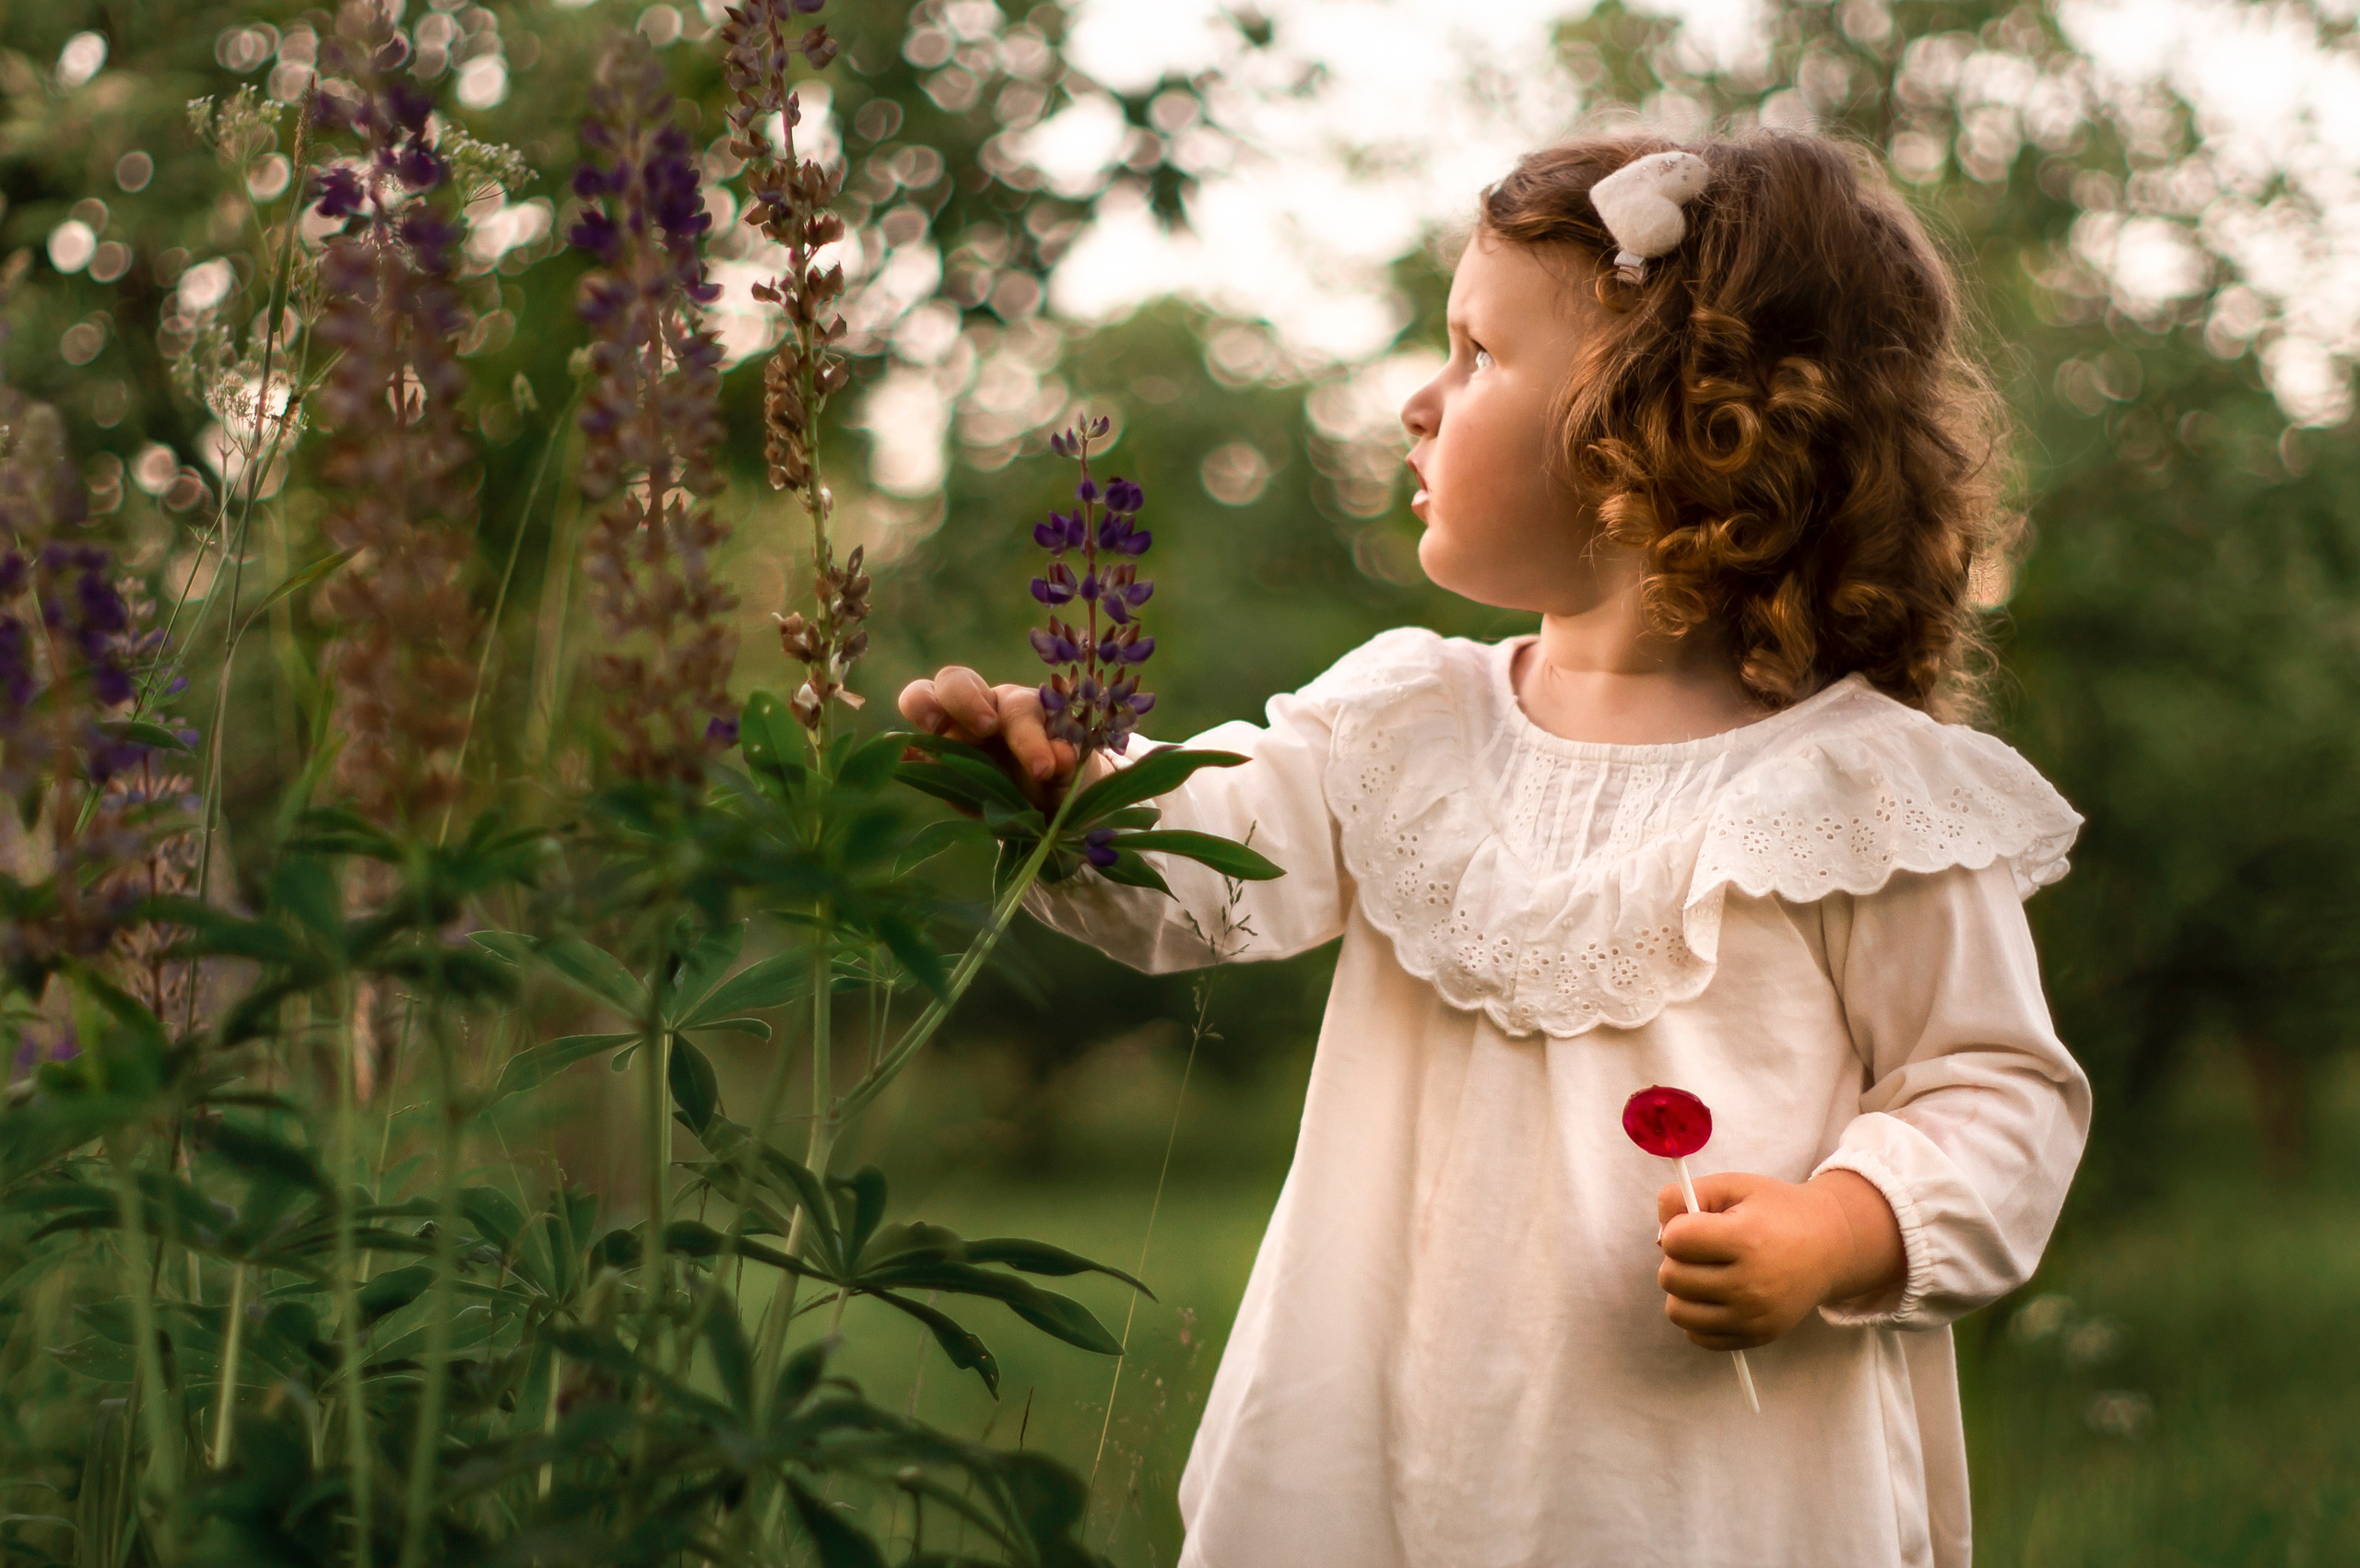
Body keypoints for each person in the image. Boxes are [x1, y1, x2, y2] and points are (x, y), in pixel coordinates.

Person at [900, 133, 2088, 1568]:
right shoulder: (1410, 718)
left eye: (1474, 354)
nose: (1416, 400)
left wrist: (1840, 1227)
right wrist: (1076, 787)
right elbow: (1229, 843)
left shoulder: (1864, 791)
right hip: (1376, 1445)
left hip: (1693, 1483)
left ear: (1659, 429)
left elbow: (1998, 1095)